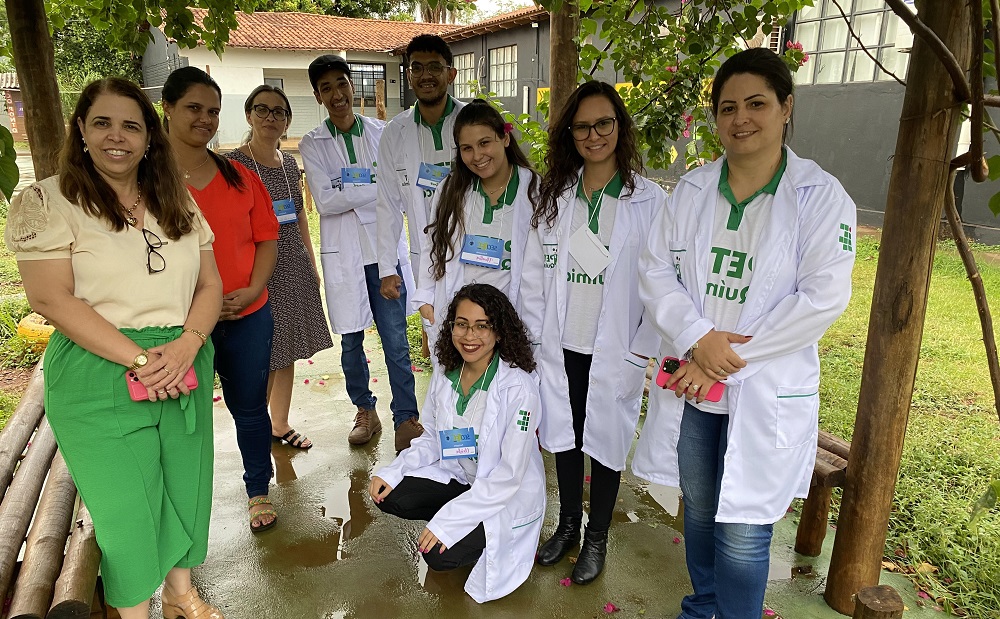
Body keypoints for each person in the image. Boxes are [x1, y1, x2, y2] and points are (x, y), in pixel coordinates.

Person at [633, 48, 856, 619]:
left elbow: (822, 298)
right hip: (699, 395)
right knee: (702, 513)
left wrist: (713, 357)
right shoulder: (691, 190)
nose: (741, 119)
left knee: (745, 529)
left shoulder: (821, 198)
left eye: (757, 103)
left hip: (761, 389)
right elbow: (655, 271)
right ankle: (703, 605)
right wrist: (696, 336)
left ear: (786, 108)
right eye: (728, 107)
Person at [5, 78, 223, 618]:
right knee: (127, 511)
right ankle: (133, 611)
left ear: (149, 136)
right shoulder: (47, 200)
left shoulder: (178, 199)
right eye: (102, 122)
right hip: (99, 368)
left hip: (183, 361)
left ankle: (179, 593)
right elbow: (50, 298)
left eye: (131, 125)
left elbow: (211, 285)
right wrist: (143, 360)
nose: (116, 137)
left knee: (184, 489)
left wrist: (187, 345)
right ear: (81, 129)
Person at [524, 80, 664, 585]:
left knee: (605, 441)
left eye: (603, 123)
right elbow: (535, 273)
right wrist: (536, 340)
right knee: (564, 436)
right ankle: (566, 527)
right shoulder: (555, 195)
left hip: (615, 346)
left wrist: (640, 351)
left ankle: (597, 535)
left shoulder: (649, 201)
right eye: (582, 126)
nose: (593, 134)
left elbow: (660, 282)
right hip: (562, 343)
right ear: (569, 133)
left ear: (619, 128)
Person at [369, 283, 544, 603]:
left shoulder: (519, 390)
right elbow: (434, 438)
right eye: (462, 324)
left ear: (500, 332)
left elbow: (508, 477)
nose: (470, 335)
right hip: (464, 476)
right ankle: (458, 519)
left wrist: (450, 524)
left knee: (438, 555)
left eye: (482, 326)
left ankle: (469, 534)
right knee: (390, 494)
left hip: (505, 495)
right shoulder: (448, 374)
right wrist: (394, 470)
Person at [162, 66, 281, 533]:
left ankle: (257, 490)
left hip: (248, 313)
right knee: (181, 419)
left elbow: (267, 239)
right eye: (193, 108)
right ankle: (181, 505)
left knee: (250, 408)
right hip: (179, 324)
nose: (205, 119)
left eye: (213, 111)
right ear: (167, 109)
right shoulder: (146, 179)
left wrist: (253, 288)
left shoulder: (239, 177)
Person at [299, 54, 422, 451]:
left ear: (353, 87)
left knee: (395, 339)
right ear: (319, 96)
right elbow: (325, 201)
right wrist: (375, 187)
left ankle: (406, 416)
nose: (337, 94)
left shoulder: (383, 133)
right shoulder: (312, 143)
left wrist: (350, 190)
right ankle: (365, 411)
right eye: (327, 88)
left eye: (342, 84)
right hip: (345, 256)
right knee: (352, 341)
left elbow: (398, 192)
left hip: (383, 255)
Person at [225, 84, 333, 450]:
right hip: (256, 271)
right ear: (248, 115)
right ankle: (255, 427)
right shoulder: (233, 165)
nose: (271, 117)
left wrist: (311, 258)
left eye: (279, 112)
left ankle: (280, 423)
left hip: (292, 265)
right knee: (262, 354)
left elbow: (299, 213)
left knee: (285, 349)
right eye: (262, 110)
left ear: (287, 121)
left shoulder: (288, 162)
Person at [414, 99, 541, 356]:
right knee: (458, 392)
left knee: (508, 392)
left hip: (511, 323)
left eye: (485, 143)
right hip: (460, 325)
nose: (477, 156)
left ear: (505, 138)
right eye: (467, 148)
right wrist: (425, 298)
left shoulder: (535, 192)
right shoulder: (451, 189)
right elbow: (433, 244)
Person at [376, 34, 466, 325]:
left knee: (479, 333)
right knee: (436, 332)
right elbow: (387, 204)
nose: (425, 75)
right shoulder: (394, 132)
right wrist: (387, 267)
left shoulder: (472, 120)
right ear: (409, 75)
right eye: (417, 68)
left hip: (473, 249)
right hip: (425, 254)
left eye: (434, 67)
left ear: (450, 74)